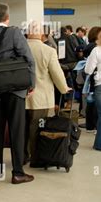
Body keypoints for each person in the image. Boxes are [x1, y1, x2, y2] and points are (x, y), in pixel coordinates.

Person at [0, 3, 36, 184]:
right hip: (16, 90)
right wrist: (30, 84)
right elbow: (29, 59)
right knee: (17, 130)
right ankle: (18, 172)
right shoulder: (15, 33)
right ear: (7, 17)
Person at [25, 22, 71, 166]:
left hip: (21, 98)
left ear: (27, 33)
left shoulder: (18, 49)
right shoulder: (48, 51)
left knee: (23, 129)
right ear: (41, 33)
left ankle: (22, 156)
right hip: (42, 99)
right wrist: (64, 89)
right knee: (39, 129)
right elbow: (57, 74)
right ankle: (37, 157)